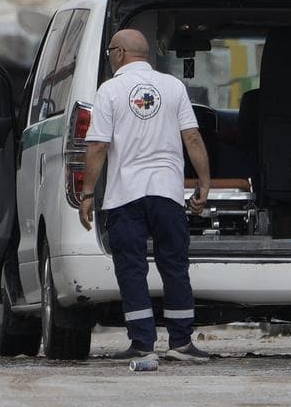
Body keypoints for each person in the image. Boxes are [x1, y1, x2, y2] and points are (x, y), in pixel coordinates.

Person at [78, 29, 214, 363]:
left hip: (126, 194)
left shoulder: (109, 90)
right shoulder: (173, 87)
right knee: (175, 264)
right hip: (167, 192)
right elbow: (193, 137)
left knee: (131, 267)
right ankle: (182, 343)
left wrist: (86, 192)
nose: (110, 56)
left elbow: (97, 145)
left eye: (111, 51)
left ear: (121, 52)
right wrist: (204, 183)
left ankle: (142, 343)